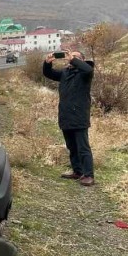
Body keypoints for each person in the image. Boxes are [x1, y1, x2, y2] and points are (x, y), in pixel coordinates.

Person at [43, 50, 96, 186]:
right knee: (71, 146)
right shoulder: (65, 73)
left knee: (83, 147)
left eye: (76, 57)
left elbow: (88, 69)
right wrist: (47, 64)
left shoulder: (85, 74)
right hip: (65, 116)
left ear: (81, 60)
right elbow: (49, 74)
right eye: (71, 56)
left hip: (79, 117)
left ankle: (89, 175)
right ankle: (77, 171)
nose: (71, 58)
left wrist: (73, 60)